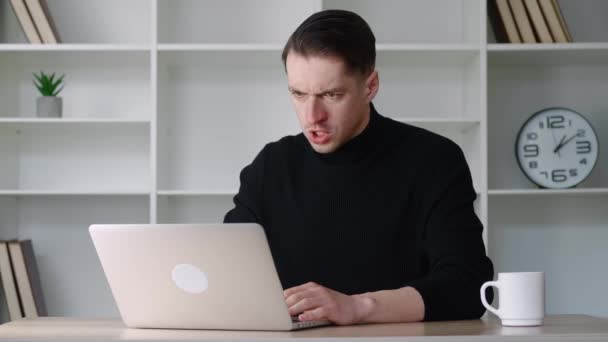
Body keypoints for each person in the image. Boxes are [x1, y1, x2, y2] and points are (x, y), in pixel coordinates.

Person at [224, 9, 493, 325]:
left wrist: (356, 307)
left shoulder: (434, 160)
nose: (312, 116)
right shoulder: (270, 167)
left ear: (370, 85)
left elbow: (469, 287)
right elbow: (227, 272)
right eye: (298, 94)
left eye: (331, 94)